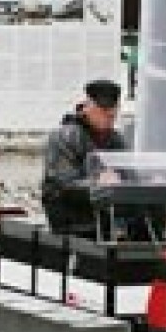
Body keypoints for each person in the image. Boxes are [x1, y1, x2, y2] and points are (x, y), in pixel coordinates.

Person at [40, 77, 126, 237]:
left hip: (105, 213)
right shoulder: (64, 136)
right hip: (70, 216)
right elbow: (65, 183)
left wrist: (144, 181)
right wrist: (98, 182)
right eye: (103, 111)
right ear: (87, 107)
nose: (108, 117)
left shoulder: (116, 139)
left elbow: (127, 174)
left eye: (112, 113)